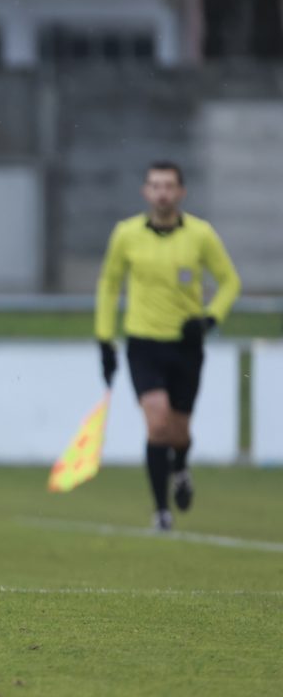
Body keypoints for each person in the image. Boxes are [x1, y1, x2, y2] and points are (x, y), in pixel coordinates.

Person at [94, 161, 240, 531]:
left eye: (169, 186)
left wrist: (209, 319)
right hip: (143, 342)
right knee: (157, 424)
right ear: (145, 191)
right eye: (155, 185)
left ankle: (181, 466)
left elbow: (229, 282)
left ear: (181, 192)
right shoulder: (126, 235)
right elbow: (109, 287)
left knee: (179, 432)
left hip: (185, 347)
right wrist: (105, 339)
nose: (162, 192)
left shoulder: (200, 235)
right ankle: (161, 511)